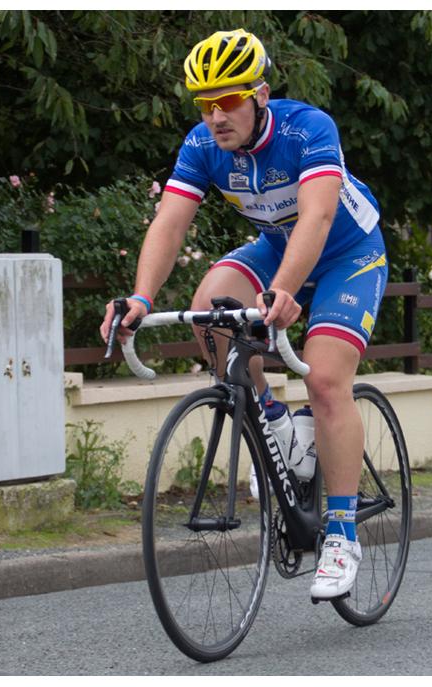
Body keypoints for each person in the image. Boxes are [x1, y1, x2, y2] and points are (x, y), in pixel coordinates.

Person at [100, 28, 387, 599]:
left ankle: (341, 534)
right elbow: (170, 222)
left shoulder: (308, 129)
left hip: (347, 254)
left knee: (326, 381)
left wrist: (282, 291)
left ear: (260, 95)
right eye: (204, 103)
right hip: (277, 247)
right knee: (208, 313)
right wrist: (140, 298)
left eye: (228, 100)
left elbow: (317, 218)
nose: (216, 116)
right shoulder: (202, 145)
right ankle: (275, 422)